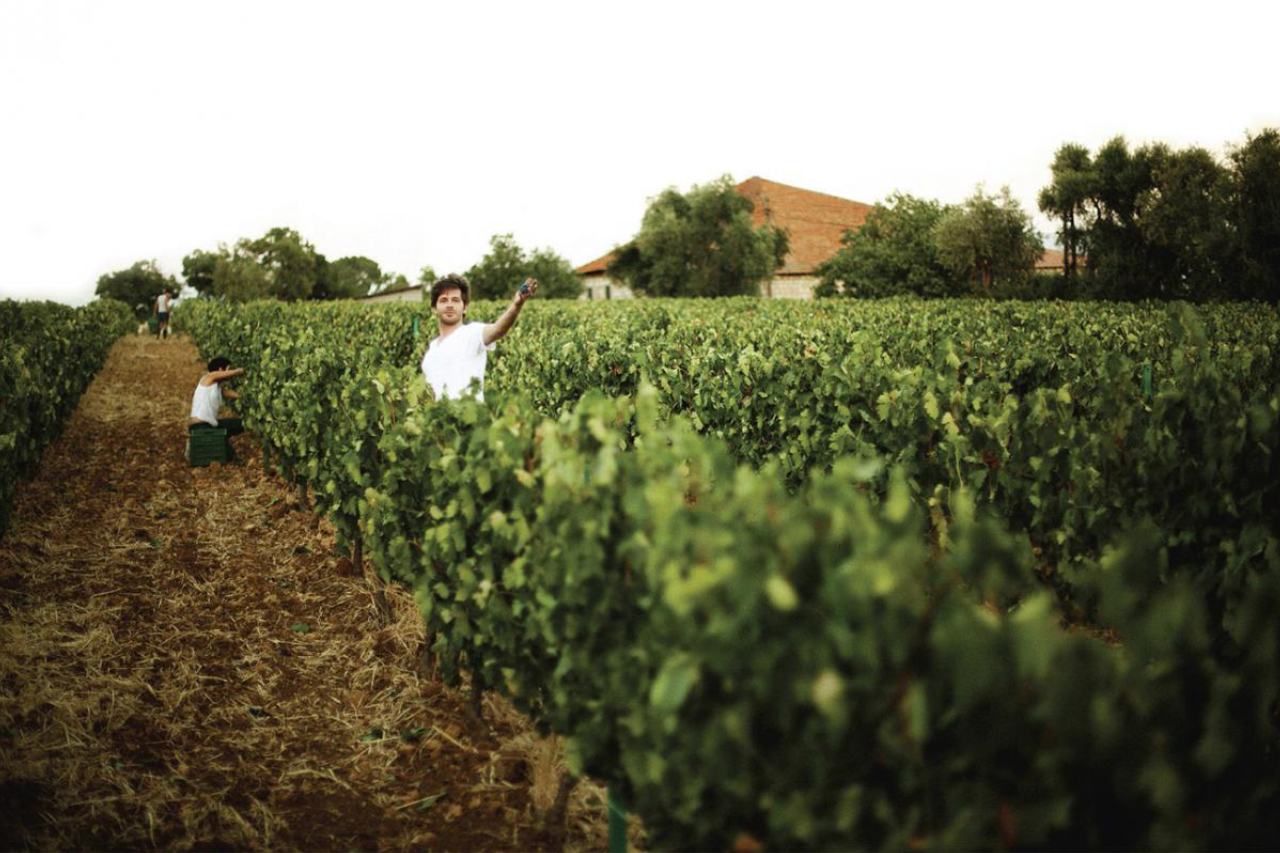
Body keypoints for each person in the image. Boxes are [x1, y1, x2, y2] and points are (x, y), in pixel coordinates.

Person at [420, 273, 538, 401]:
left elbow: (498, 329)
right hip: (438, 419)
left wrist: (516, 305)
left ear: (464, 307)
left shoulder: (472, 333)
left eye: (455, 300)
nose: (449, 305)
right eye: (443, 300)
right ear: (434, 309)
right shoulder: (431, 349)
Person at [188, 357, 246, 460]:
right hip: (200, 427)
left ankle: (221, 440)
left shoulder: (217, 388)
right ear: (220, 370)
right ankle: (195, 445)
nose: (230, 372)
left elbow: (236, 395)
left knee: (241, 423)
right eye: (228, 368)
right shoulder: (207, 378)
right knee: (227, 456)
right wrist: (238, 371)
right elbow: (214, 375)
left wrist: (248, 397)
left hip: (211, 425)